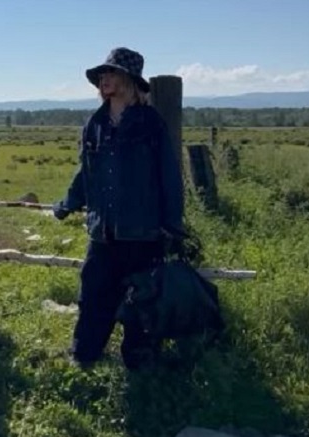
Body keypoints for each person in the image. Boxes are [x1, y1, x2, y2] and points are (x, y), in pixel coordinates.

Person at [52, 47, 185, 368]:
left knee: (141, 301)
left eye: (110, 73)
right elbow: (86, 171)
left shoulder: (150, 124)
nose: (103, 79)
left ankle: (140, 364)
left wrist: (172, 225)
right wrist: (68, 204)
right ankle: (84, 357)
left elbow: (169, 175)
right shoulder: (94, 125)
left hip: (143, 231)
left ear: (128, 80)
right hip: (103, 232)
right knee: (93, 297)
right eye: (101, 75)